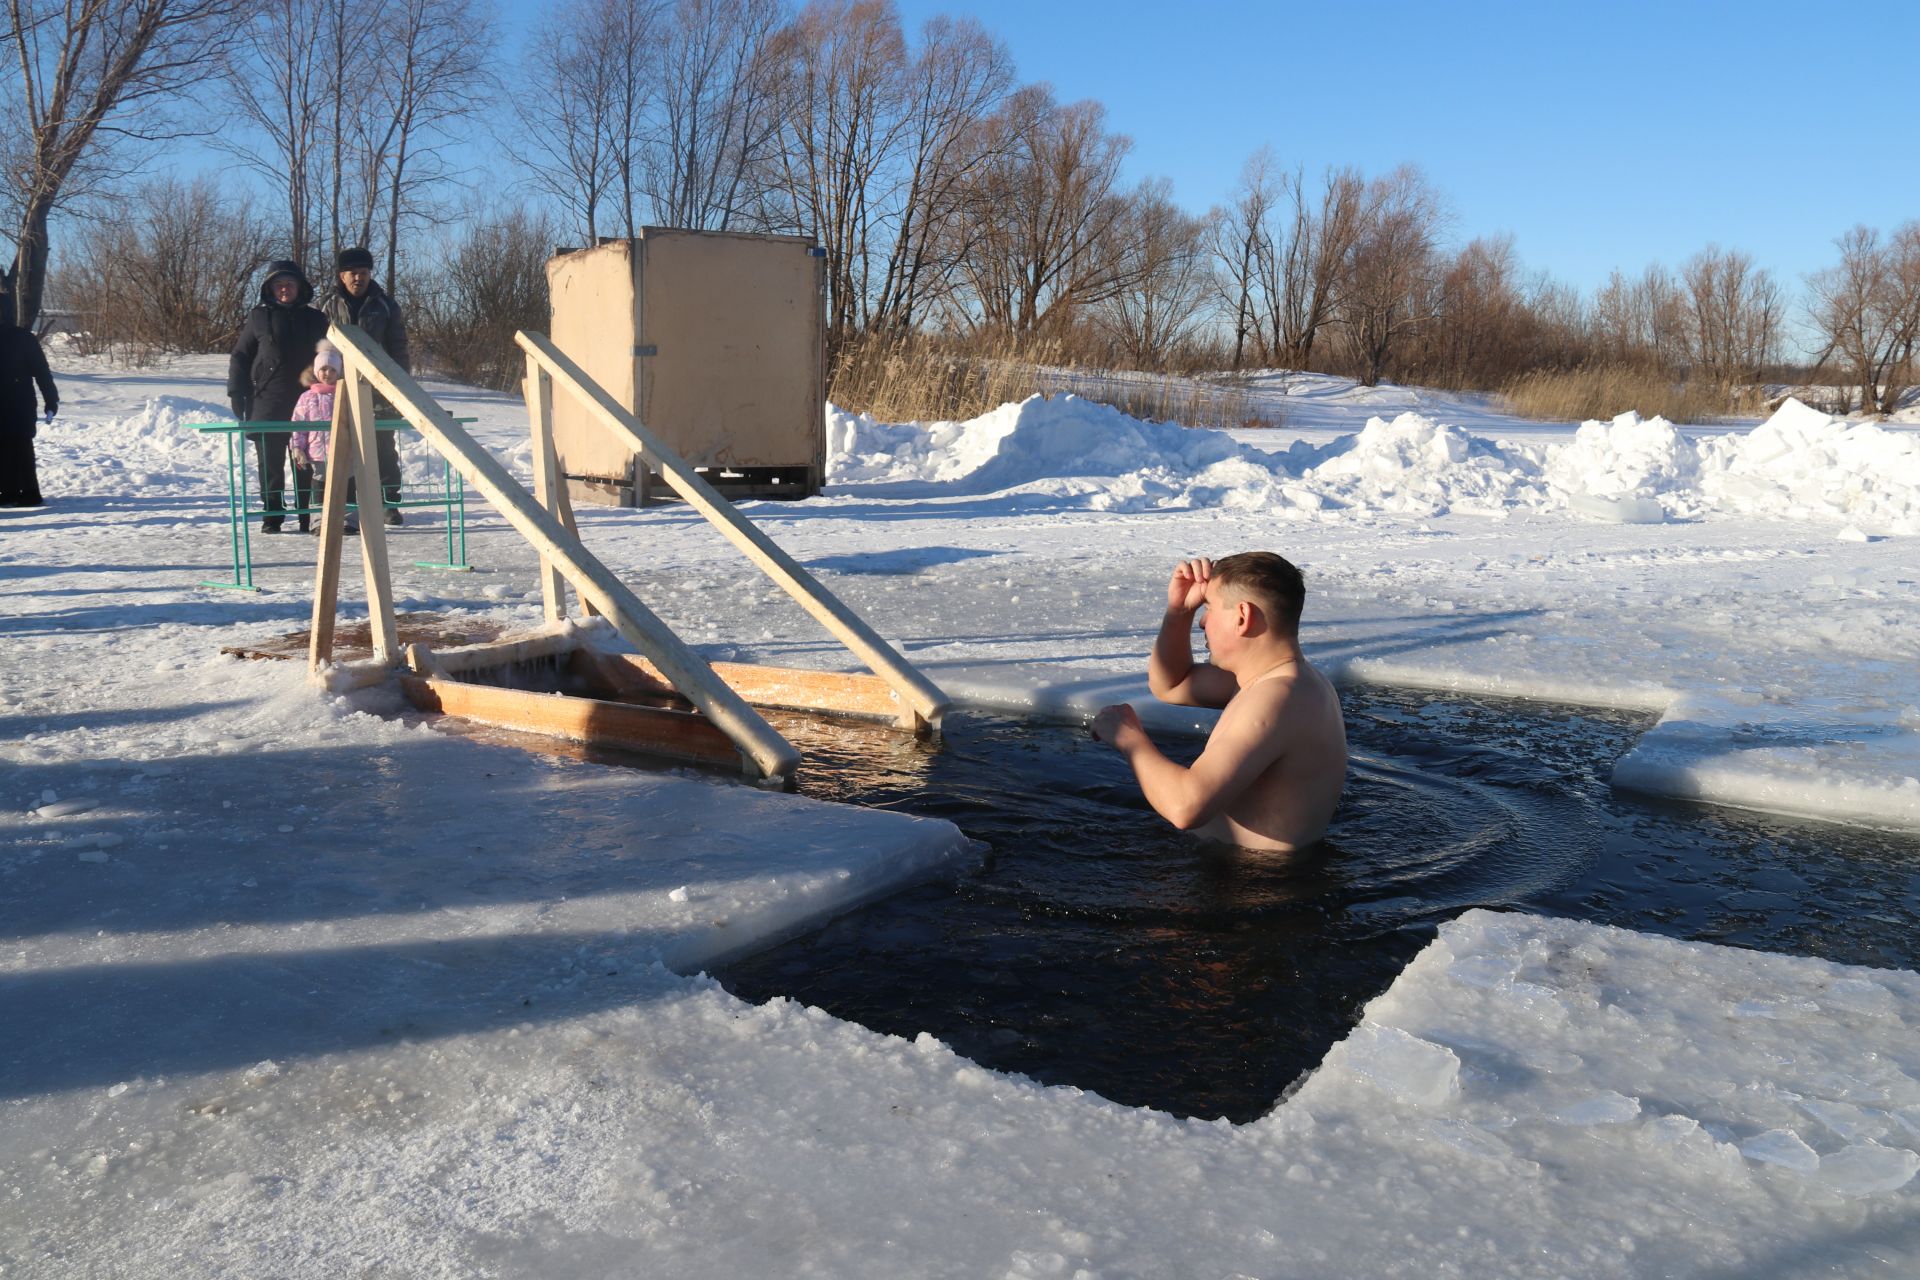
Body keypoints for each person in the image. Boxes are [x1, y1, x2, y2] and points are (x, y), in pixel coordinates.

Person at [1091, 553, 1347, 852]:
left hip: (1253, 886)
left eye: (1208, 607)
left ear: (1242, 617)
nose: (1202, 621)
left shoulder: (1278, 697)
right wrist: (1178, 612)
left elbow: (1185, 808)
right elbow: (1171, 684)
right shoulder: (1281, 681)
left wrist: (1129, 738)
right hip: (1244, 873)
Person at [228, 261, 328, 532]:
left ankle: (308, 516)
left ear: (300, 287)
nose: (285, 289)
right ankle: (272, 516)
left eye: (290, 283)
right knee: (270, 464)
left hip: (308, 401)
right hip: (268, 399)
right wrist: (237, 391)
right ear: (270, 288)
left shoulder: (317, 319)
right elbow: (241, 355)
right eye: (279, 284)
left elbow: (329, 356)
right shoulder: (259, 317)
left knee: (305, 462)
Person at [319, 246, 410, 525]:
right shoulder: (326, 305)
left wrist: (401, 384)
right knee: (340, 445)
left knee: (383, 444)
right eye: (353, 273)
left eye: (364, 273)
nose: (359, 278)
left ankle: (388, 503)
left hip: (378, 385)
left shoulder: (385, 304)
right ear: (341, 275)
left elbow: (398, 346)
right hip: (339, 385)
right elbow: (318, 346)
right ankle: (344, 503)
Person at [289, 341, 357, 536]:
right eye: (323, 369)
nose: (327, 373)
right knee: (319, 485)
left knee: (347, 484)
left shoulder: (346, 395)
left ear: (339, 372)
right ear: (317, 371)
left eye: (332, 370)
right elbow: (298, 424)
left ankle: (349, 521)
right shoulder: (307, 397)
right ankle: (318, 522)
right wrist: (297, 447)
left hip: (345, 449)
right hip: (318, 451)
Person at [0, 296, 58, 508]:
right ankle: (7, 491)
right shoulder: (23, 337)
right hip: (11, 403)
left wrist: (51, 400)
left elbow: (42, 372)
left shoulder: (22, 338)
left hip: (19, 402)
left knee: (20, 446)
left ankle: (30, 492)